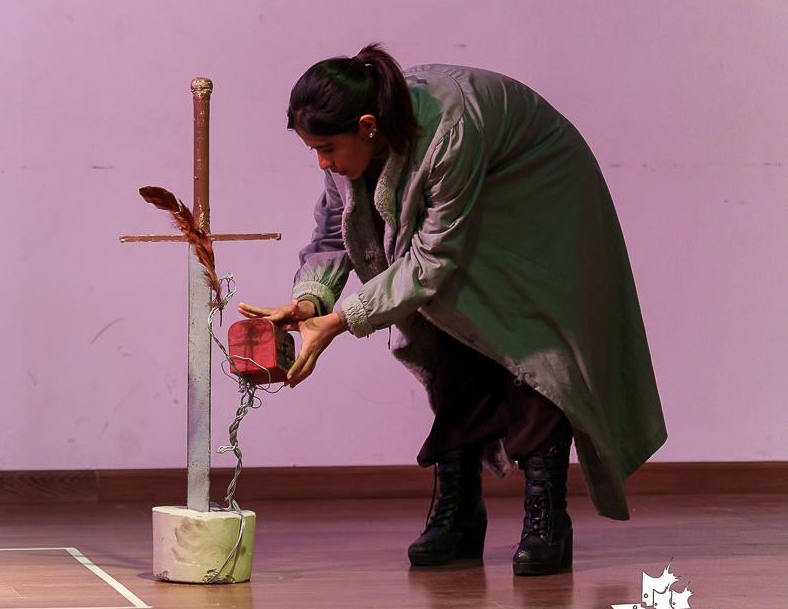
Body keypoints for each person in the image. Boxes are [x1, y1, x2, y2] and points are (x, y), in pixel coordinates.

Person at [239, 44, 666, 575]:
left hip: (538, 191)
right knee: (446, 328)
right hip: (475, 185)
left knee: (531, 342)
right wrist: (312, 299)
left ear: (368, 125)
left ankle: (547, 515)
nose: (321, 163)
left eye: (326, 148)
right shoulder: (352, 139)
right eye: (313, 151)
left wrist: (343, 320)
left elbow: (434, 256)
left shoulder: (449, 129)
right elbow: (334, 225)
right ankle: (460, 511)